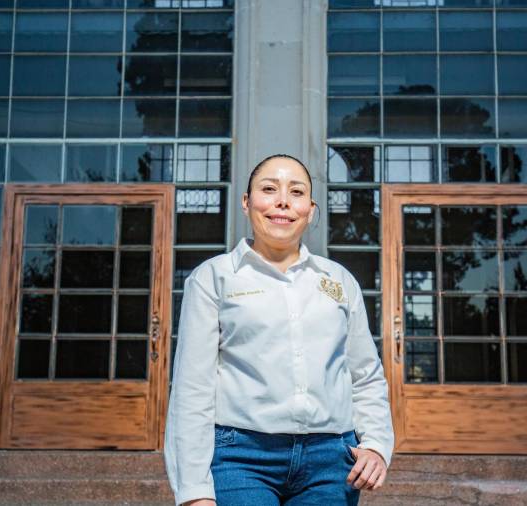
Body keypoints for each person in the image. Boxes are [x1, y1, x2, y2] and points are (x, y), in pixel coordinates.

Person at [164, 154, 394, 506]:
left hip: (332, 460)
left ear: (311, 209)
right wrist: (194, 491)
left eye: (296, 192)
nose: (283, 201)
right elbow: (192, 390)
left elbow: (364, 375)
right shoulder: (213, 278)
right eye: (269, 189)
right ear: (246, 202)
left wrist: (376, 445)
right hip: (239, 457)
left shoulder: (339, 281)